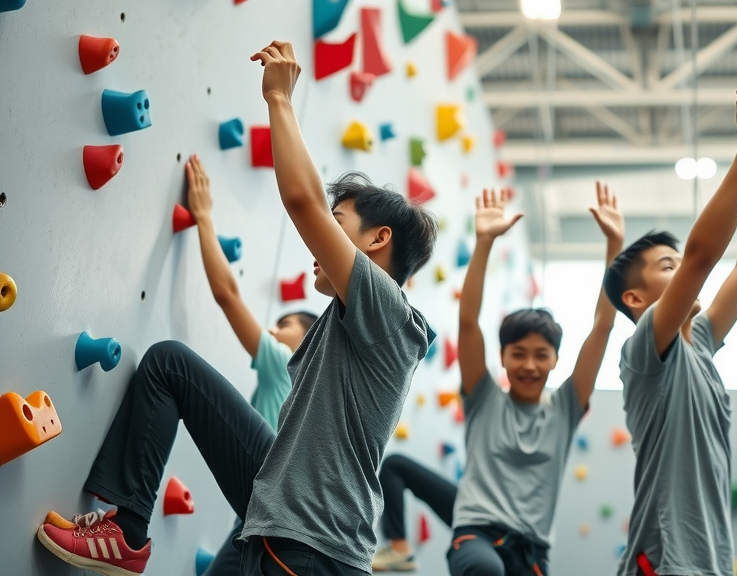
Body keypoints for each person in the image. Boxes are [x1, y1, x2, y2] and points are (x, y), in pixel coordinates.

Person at [37, 40, 437, 576]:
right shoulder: (345, 325)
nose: (320, 243)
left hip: (317, 550)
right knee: (169, 364)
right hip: (278, 512)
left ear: (376, 240)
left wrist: (279, 100)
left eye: (337, 225)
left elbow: (302, 201)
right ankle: (127, 533)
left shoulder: (390, 313)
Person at [602, 69, 737, 576]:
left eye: (676, 265)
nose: (681, 275)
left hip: (709, 561)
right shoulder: (644, 352)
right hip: (665, 559)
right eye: (665, 268)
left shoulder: (702, 343)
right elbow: (701, 257)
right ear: (634, 298)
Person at [375, 185, 623, 575]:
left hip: (531, 551)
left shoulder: (566, 407)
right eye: (518, 354)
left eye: (541, 355)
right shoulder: (485, 398)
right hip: (478, 535)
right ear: (503, 357)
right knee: (483, 568)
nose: (529, 365)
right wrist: (485, 242)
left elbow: (603, 325)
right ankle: (400, 548)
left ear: (556, 360)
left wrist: (615, 247)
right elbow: (469, 322)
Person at [183, 154, 317, 576]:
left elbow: (227, 294)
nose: (274, 332)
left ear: (308, 338)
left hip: (272, 503)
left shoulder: (287, 362)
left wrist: (204, 217)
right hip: (263, 516)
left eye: (285, 324)